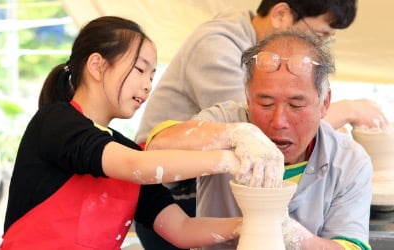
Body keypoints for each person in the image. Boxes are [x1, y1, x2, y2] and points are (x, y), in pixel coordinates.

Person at [0, 16, 281, 250]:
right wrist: (230, 158)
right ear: (97, 65)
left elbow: (182, 229)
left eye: (152, 76)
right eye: (140, 70)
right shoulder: (56, 121)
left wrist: (252, 224)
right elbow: (135, 167)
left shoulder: (128, 151)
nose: (147, 85)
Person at [134, 1, 385, 248]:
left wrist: (297, 237)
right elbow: (156, 148)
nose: (279, 121)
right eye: (265, 104)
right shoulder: (228, 116)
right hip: (170, 204)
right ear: (247, 98)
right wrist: (235, 136)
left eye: (296, 105)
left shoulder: (349, 161)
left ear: (325, 103)